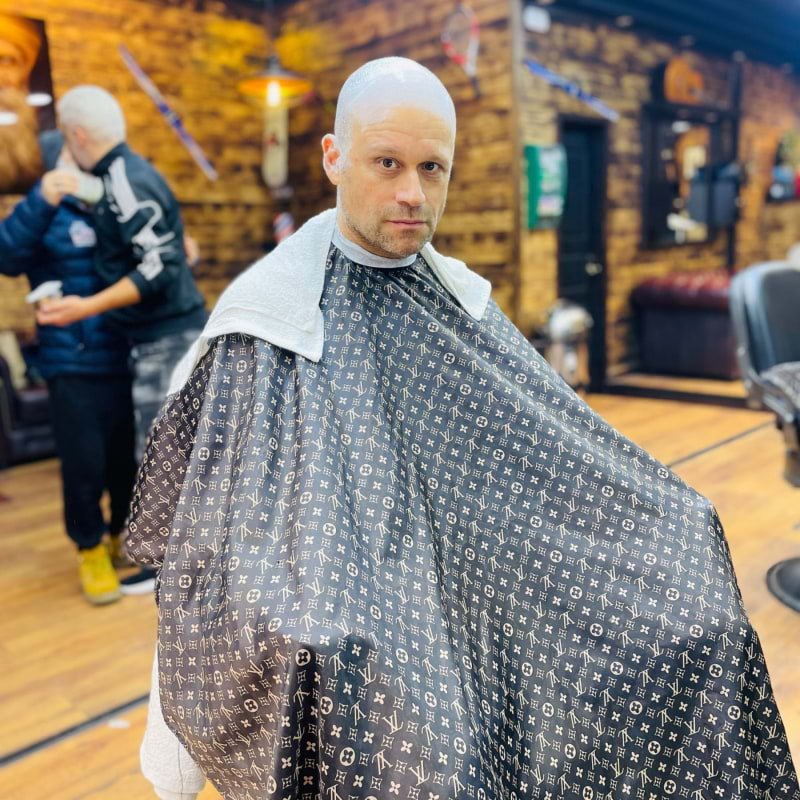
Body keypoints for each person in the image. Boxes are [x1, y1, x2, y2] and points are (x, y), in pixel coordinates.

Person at [127, 58, 798, 799]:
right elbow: (215, 547)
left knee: (698, 608)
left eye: (433, 168)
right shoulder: (265, 322)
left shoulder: (460, 299)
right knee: (383, 710)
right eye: (388, 163)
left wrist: (675, 520)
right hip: (368, 615)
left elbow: (562, 447)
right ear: (333, 157)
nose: (413, 194)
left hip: (487, 588)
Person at [37, 86, 208, 595]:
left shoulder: (125, 179)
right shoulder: (115, 177)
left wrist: (85, 307)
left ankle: (166, 571)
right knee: (159, 452)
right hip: (158, 336)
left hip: (168, 335)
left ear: (78, 134)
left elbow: (160, 263)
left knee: (162, 456)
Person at [0, 130, 136, 604]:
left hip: (123, 351)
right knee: (83, 464)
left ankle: (122, 536)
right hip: (70, 360)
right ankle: (89, 548)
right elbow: (6, 255)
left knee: (126, 460)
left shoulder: (109, 201)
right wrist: (40, 200)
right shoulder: (41, 212)